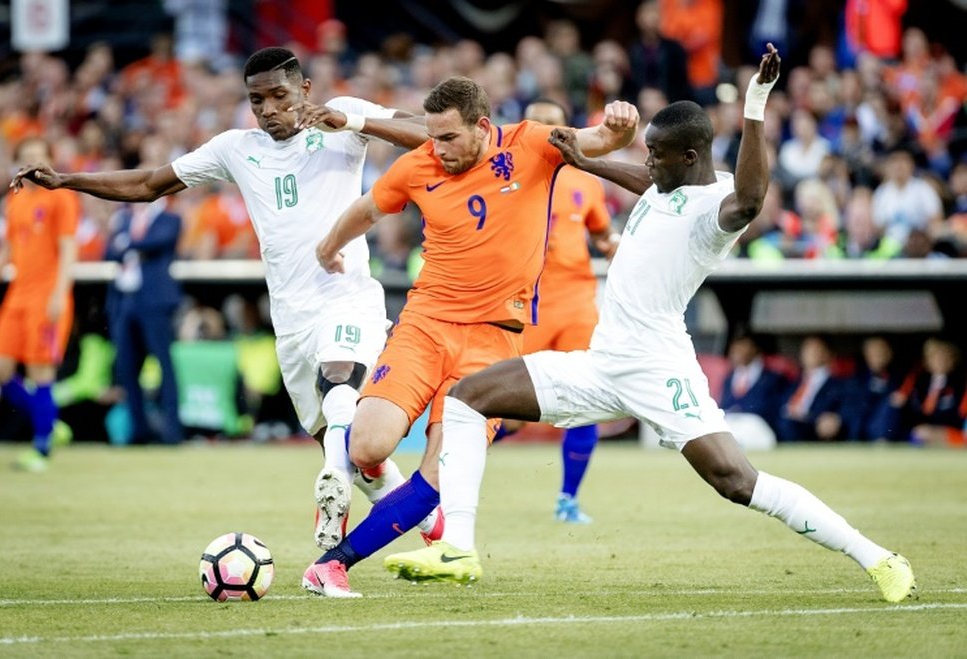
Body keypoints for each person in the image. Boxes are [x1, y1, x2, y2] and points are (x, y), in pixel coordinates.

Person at [384, 44, 917, 605]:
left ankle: (878, 558)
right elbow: (645, 185)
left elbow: (753, 198)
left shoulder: (716, 209)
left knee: (738, 482)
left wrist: (756, 100)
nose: (648, 163)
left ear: (689, 156)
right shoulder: (667, 186)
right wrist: (587, 162)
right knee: (468, 398)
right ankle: (458, 548)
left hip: (658, 369)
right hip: (602, 363)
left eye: (657, 155)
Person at [9, 47, 434, 549]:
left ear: (305, 90)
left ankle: (331, 483)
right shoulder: (237, 148)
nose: (270, 109)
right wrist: (67, 181)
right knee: (366, 462)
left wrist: (353, 119)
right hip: (291, 319)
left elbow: (429, 132)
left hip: (345, 294)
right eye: (258, 100)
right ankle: (436, 529)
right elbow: (149, 183)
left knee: (338, 378)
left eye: (279, 96)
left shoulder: (342, 119)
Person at [303, 77, 639, 597]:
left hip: (493, 344)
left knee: (439, 473)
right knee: (367, 446)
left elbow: (597, 142)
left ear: (482, 127)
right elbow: (368, 209)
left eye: (449, 138)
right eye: (432, 137)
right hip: (424, 326)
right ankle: (411, 514)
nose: (437, 149)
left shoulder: (530, 143)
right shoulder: (419, 166)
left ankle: (331, 565)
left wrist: (621, 125)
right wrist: (328, 248)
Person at [497, 98, 621, 524]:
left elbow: (602, 232)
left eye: (555, 124)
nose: (547, 132)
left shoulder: (586, 181)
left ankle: (568, 498)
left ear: (569, 132)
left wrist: (614, 244)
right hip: (525, 303)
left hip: (576, 303)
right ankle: (440, 487)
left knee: (588, 398)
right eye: (537, 123)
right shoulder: (504, 175)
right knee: (499, 408)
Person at [0, 137, 79, 471]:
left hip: (47, 296)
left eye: (39, 157)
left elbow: (69, 249)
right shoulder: (14, 200)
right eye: (26, 158)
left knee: (40, 371)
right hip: (17, 296)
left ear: (48, 161)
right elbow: (8, 248)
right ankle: (48, 420)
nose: (32, 163)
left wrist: (60, 294)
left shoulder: (61, 199)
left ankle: (41, 449)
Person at [104, 199, 184, 444]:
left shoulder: (169, 218)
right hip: (126, 300)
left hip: (154, 301)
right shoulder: (125, 219)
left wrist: (127, 243)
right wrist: (130, 245)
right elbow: (108, 252)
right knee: (127, 368)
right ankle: (139, 430)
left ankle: (172, 432)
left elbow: (160, 241)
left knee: (165, 365)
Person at [776, 335, 849, 442]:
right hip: (785, 429)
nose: (811, 353)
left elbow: (843, 414)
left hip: (813, 431)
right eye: (807, 349)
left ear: (828, 354)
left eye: (816, 349)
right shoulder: (792, 383)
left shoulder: (839, 385)